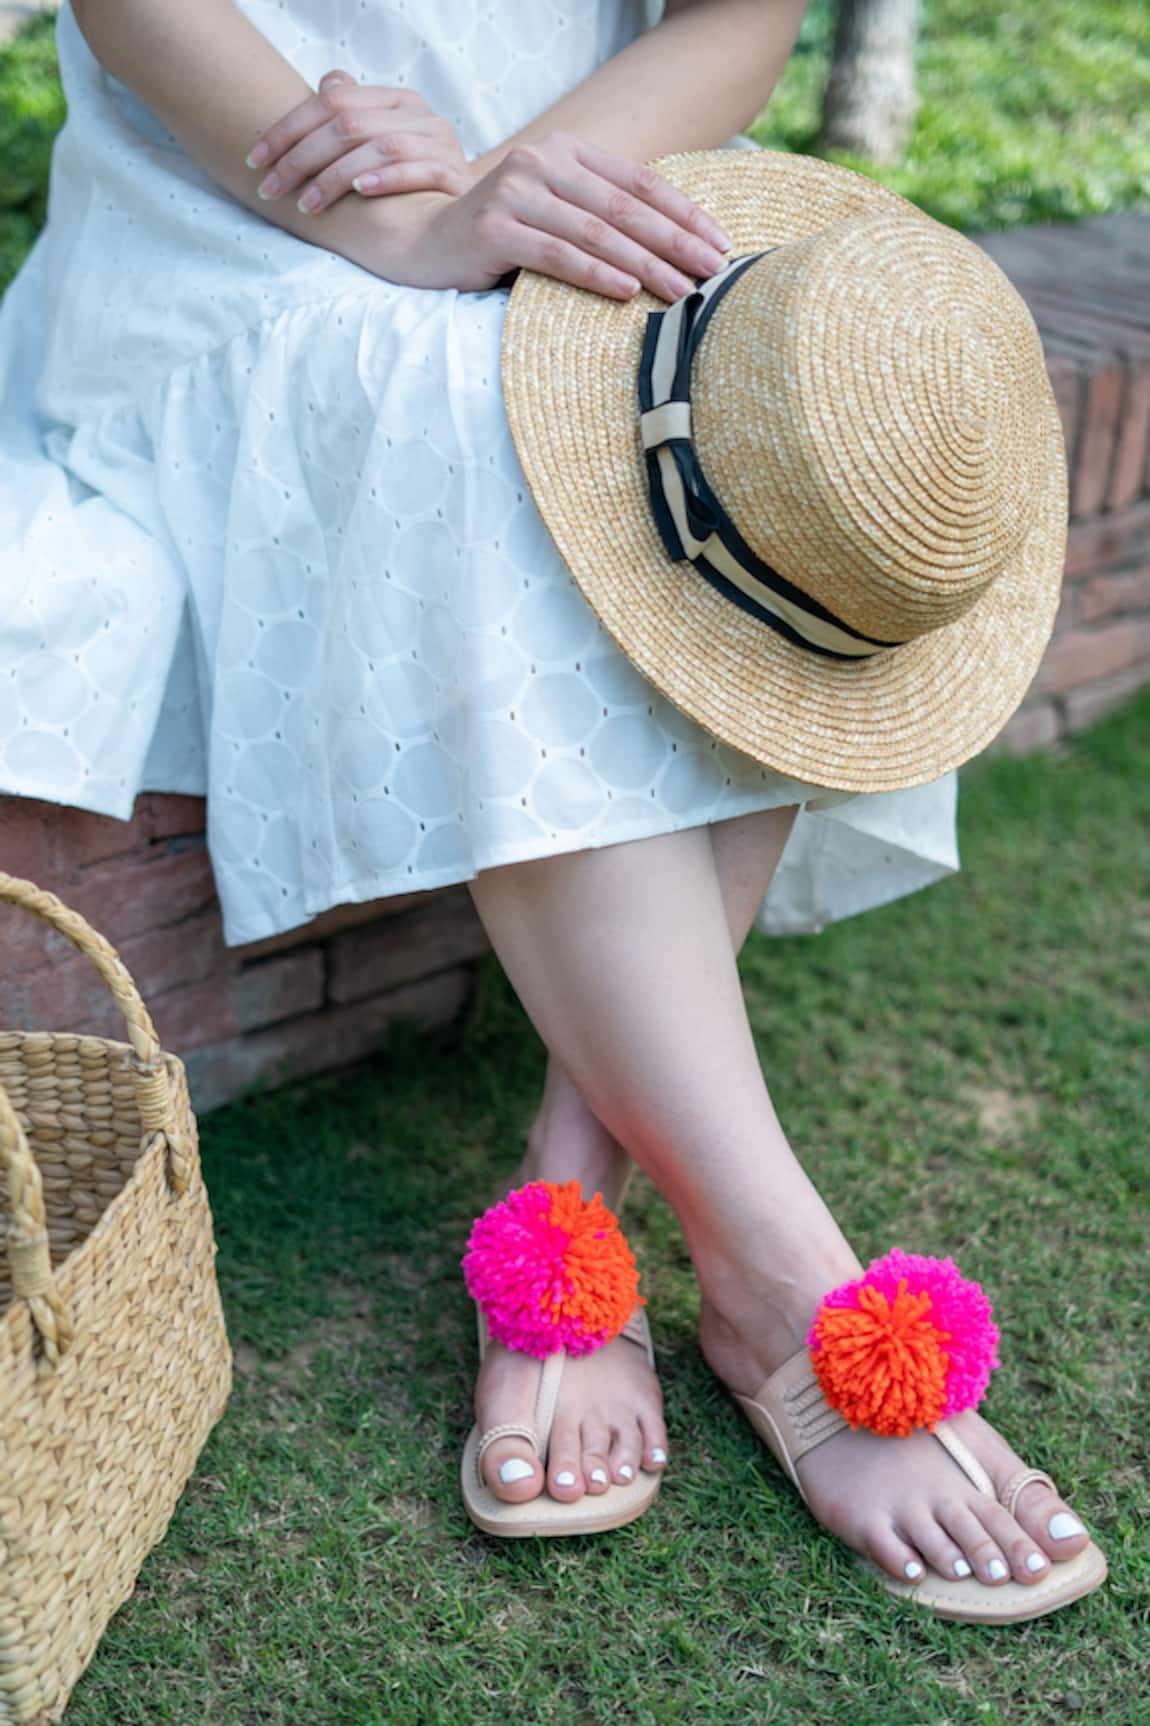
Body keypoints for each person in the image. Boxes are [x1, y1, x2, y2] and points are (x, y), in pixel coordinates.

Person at [0, 0, 1102, 1621]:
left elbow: (741, 12)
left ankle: (573, 1197)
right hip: (252, 209)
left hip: (596, 154)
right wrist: (408, 221)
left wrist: (526, 186)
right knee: (470, 396)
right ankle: (783, 1285)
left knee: (766, 394)